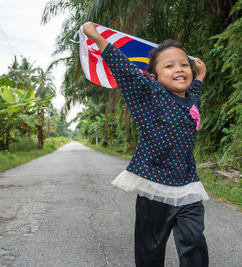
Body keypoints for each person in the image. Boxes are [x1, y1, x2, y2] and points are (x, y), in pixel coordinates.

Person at [83, 22, 209, 267]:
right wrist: (97, 37)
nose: (179, 69)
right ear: (154, 77)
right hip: (155, 186)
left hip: (188, 185)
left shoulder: (192, 98)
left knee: (194, 241)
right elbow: (124, 69)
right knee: (149, 249)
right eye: (169, 66)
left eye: (184, 64)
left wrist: (201, 75)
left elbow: (196, 89)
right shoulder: (149, 94)